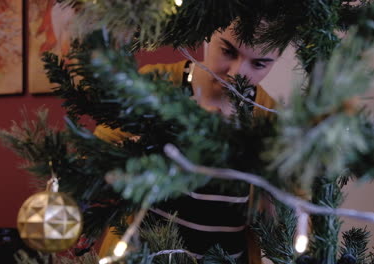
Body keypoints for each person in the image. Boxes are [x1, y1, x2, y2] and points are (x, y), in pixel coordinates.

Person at [95, 23, 280, 263]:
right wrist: (167, 139)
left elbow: (290, 219)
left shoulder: (269, 118)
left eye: (258, 64)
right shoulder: (155, 86)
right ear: (208, 32)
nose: (236, 74)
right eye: (228, 51)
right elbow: (92, 161)